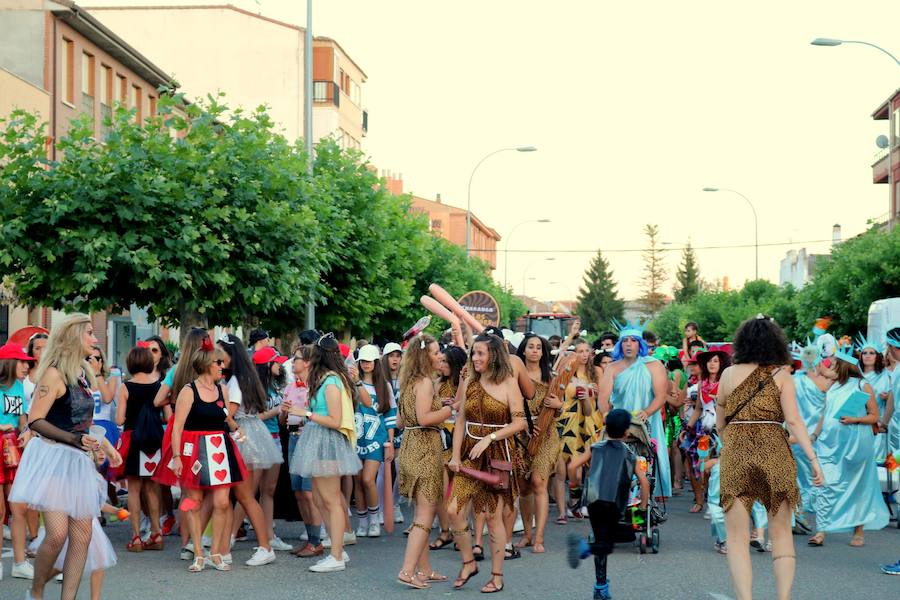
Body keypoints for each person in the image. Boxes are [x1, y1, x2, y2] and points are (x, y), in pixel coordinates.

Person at [8, 313, 119, 600]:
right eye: (90, 334)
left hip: (78, 461)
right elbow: (35, 420)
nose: (95, 340)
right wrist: (75, 439)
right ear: (73, 337)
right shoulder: (54, 374)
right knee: (56, 535)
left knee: (82, 535)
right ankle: (36, 590)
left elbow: (82, 422)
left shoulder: (83, 374)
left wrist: (105, 447)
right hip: (53, 458)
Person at [714, 316, 823, 600]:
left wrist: (733, 444)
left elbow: (720, 423)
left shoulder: (727, 375)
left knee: (737, 539)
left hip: (737, 448)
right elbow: (795, 422)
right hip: (774, 448)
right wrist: (813, 460)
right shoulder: (782, 375)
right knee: (782, 535)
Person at [154, 339, 251, 572]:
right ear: (208, 364)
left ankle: (216, 552)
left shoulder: (223, 389)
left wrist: (237, 429)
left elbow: (226, 416)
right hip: (194, 448)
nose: (222, 366)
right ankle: (198, 552)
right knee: (194, 502)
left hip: (219, 446)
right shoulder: (189, 391)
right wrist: (176, 456)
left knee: (222, 502)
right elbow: (177, 427)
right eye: (219, 362)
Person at [447, 334, 527, 594]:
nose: (475, 358)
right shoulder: (470, 380)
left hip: (497, 455)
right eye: (473, 353)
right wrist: (455, 455)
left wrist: (490, 437)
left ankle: (497, 576)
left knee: (493, 518)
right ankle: (469, 562)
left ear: (493, 355)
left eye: (480, 353)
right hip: (469, 452)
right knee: (453, 511)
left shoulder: (508, 383)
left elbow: (520, 423)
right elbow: (460, 421)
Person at [289, 333, 362, 573]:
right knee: (320, 499)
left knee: (330, 500)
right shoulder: (326, 380)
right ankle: (337, 549)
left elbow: (335, 419)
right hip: (319, 441)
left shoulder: (331, 381)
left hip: (328, 442)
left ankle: (337, 555)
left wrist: (305, 414)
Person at [807, 345, 888, 547]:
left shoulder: (862, 385)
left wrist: (854, 419)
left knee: (857, 485)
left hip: (855, 444)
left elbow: (874, 416)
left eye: (834, 364)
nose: (831, 367)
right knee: (824, 484)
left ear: (844, 366)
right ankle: (821, 531)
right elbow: (825, 414)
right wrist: (814, 434)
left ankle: (858, 531)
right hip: (829, 444)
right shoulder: (832, 386)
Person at [565, 409, 650, 600]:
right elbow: (644, 483)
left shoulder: (595, 447)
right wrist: (641, 511)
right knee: (613, 543)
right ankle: (582, 548)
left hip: (594, 501)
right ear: (627, 432)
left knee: (601, 541)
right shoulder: (630, 455)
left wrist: (575, 490)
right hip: (614, 503)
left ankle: (600, 587)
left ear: (606, 428)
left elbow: (571, 466)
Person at [215, 333, 281, 558]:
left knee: (244, 496)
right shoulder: (248, 377)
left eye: (220, 353)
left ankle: (264, 547)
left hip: (242, 435)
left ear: (230, 355)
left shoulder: (234, 382)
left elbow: (229, 415)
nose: (216, 357)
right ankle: (237, 546)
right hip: (253, 432)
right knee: (246, 496)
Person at [396, 334, 451, 589]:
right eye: (435, 351)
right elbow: (425, 418)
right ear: (424, 355)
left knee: (422, 511)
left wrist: (440, 406)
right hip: (425, 449)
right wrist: (450, 410)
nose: (439, 355)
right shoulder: (426, 383)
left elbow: (400, 421)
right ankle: (407, 571)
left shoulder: (408, 382)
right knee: (425, 514)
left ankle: (425, 569)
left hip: (408, 446)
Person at [598, 323, 671, 499]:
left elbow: (661, 396)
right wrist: (607, 417)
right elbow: (602, 399)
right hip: (619, 424)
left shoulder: (654, 365)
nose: (629, 344)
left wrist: (646, 412)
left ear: (640, 344)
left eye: (633, 340)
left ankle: (646, 502)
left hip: (646, 423)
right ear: (620, 345)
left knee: (646, 467)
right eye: (625, 341)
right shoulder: (612, 368)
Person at [112, 345, 165, 552]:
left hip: (133, 439)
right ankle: (157, 533)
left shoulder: (126, 387)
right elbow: (168, 416)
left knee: (133, 488)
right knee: (152, 487)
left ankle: (135, 538)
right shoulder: (159, 386)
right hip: (154, 440)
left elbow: (119, 419)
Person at [514, 333, 561, 553]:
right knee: (523, 487)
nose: (534, 350)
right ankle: (527, 533)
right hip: (521, 434)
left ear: (543, 353)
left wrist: (558, 405)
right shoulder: (513, 375)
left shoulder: (550, 378)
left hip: (546, 435)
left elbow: (559, 412)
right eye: (530, 347)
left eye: (538, 347)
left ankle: (539, 537)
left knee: (538, 481)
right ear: (523, 350)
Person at [281, 346, 324, 558]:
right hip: (293, 436)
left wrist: (304, 412)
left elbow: (322, 414)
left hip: (309, 437)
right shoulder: (290, 386)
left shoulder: (317, 386)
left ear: (307, 362)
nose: (292, 362)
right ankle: (310, 538)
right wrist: (284, 411)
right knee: (298, 490)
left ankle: (317, 541)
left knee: (309, 491)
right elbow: (283, 420)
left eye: (296, 359)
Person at [247, 346, 291, 551]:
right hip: (259, 440)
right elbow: (253, 416)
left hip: (274, 439)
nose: (280, 365)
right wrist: (277, 410)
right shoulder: (255, 387)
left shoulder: (275, 386)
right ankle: (229, 536)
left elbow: (277, 417)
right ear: (267, 365)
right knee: (249, 491)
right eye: (276, 362)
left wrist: (283, 412)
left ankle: (269, 536)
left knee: (269, 490)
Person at [352, 344, 395, 539]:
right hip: (356, 436)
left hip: (376, 439)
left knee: (368, 479)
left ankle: (374, 519)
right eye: (363, 361)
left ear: (376, 363)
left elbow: (391, 415)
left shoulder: (384, 385)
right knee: (358, 481)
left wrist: (391, 442)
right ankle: (362, 522)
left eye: (369, 361)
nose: (366, 364)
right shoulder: (353, 383)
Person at [429, 344, 467, 551]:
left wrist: (462, 378)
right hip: (441, 437)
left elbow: (462, 403)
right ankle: (445, 532)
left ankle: (460, 532)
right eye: (440, 360)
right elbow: (430, 405)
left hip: (461, 438)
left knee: (459, 489)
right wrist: (440, 403)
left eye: (444, 361)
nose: (440, 364)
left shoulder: (466, 382)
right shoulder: (436, 383)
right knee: (441, 490)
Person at [790, 342, 830, 530]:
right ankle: (797, 513)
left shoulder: (828, 381)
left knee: (816, 474)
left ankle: (802, 513)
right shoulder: (794, 379)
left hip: (821, 434)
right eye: (806, 355)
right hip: (798, 433)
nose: (809, 359)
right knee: (800, 474)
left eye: (812, 356)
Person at [0, 342, 31, 578]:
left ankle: (20, 563)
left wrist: (26, 431)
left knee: (18, 505)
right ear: (9, 363)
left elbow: (22, 419)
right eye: (22, 362)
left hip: (13, 447)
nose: (26, 366)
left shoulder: (20, 386)